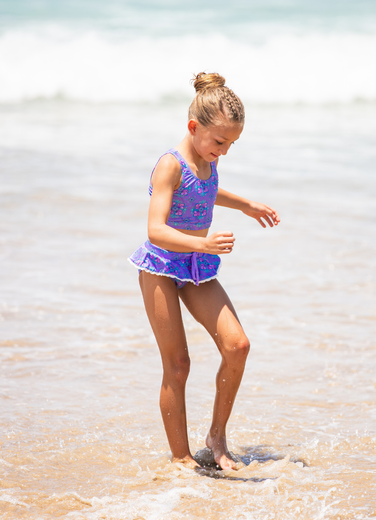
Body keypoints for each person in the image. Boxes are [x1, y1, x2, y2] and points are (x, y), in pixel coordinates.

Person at [128, 72, 279, 471]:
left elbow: (208, 190)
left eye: (232, 144)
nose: (224, 151)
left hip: (195, 267)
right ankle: (180, 459)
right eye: (219, 142)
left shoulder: (208, 161)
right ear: (193, 127)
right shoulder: (169, 165)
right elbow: (155, 229)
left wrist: (246, 204)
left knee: (238, 346)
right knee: (178, 364)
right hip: (160, 266)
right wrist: (203, 243)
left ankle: (216, 436)